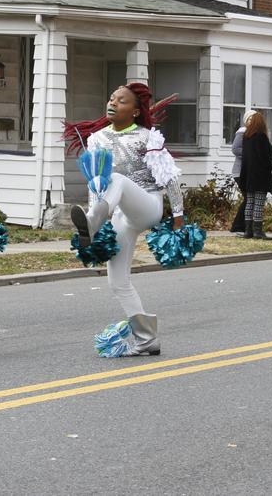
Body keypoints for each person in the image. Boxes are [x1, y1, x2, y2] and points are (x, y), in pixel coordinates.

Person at [64, 82, 184, 356]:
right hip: (117, 213)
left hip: (148, 205)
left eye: (122, 101)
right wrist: (96, 214)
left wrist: (178, 216)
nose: (113, 103)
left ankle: (93, 223)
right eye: (112, 98)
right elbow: (96, 184)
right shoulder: (96, 139)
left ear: (135, 111)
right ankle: (147, 339)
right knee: (117, 281)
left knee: (116, 179)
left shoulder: (147, 138)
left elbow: (170, 178)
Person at [239, 112, 272, 240]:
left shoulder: (246, 137)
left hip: (249, 175)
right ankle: (258, 231)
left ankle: (248, 230)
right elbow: (266, 158)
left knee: (250, 202)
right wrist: (270, 171)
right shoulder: (262, 137)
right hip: (260, 175)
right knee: (259, 203)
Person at [229, 109, 256, 234]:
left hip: (249, 171)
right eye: (250, 119)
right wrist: (249, 155)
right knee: (248, 198)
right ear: (246, 120)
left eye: (254, 119)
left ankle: (244, 225)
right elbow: (235, 149)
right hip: (240, 171)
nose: (252, 121)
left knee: (250, 198)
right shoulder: (242, 132)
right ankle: (238, 225)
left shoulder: (255, 133)